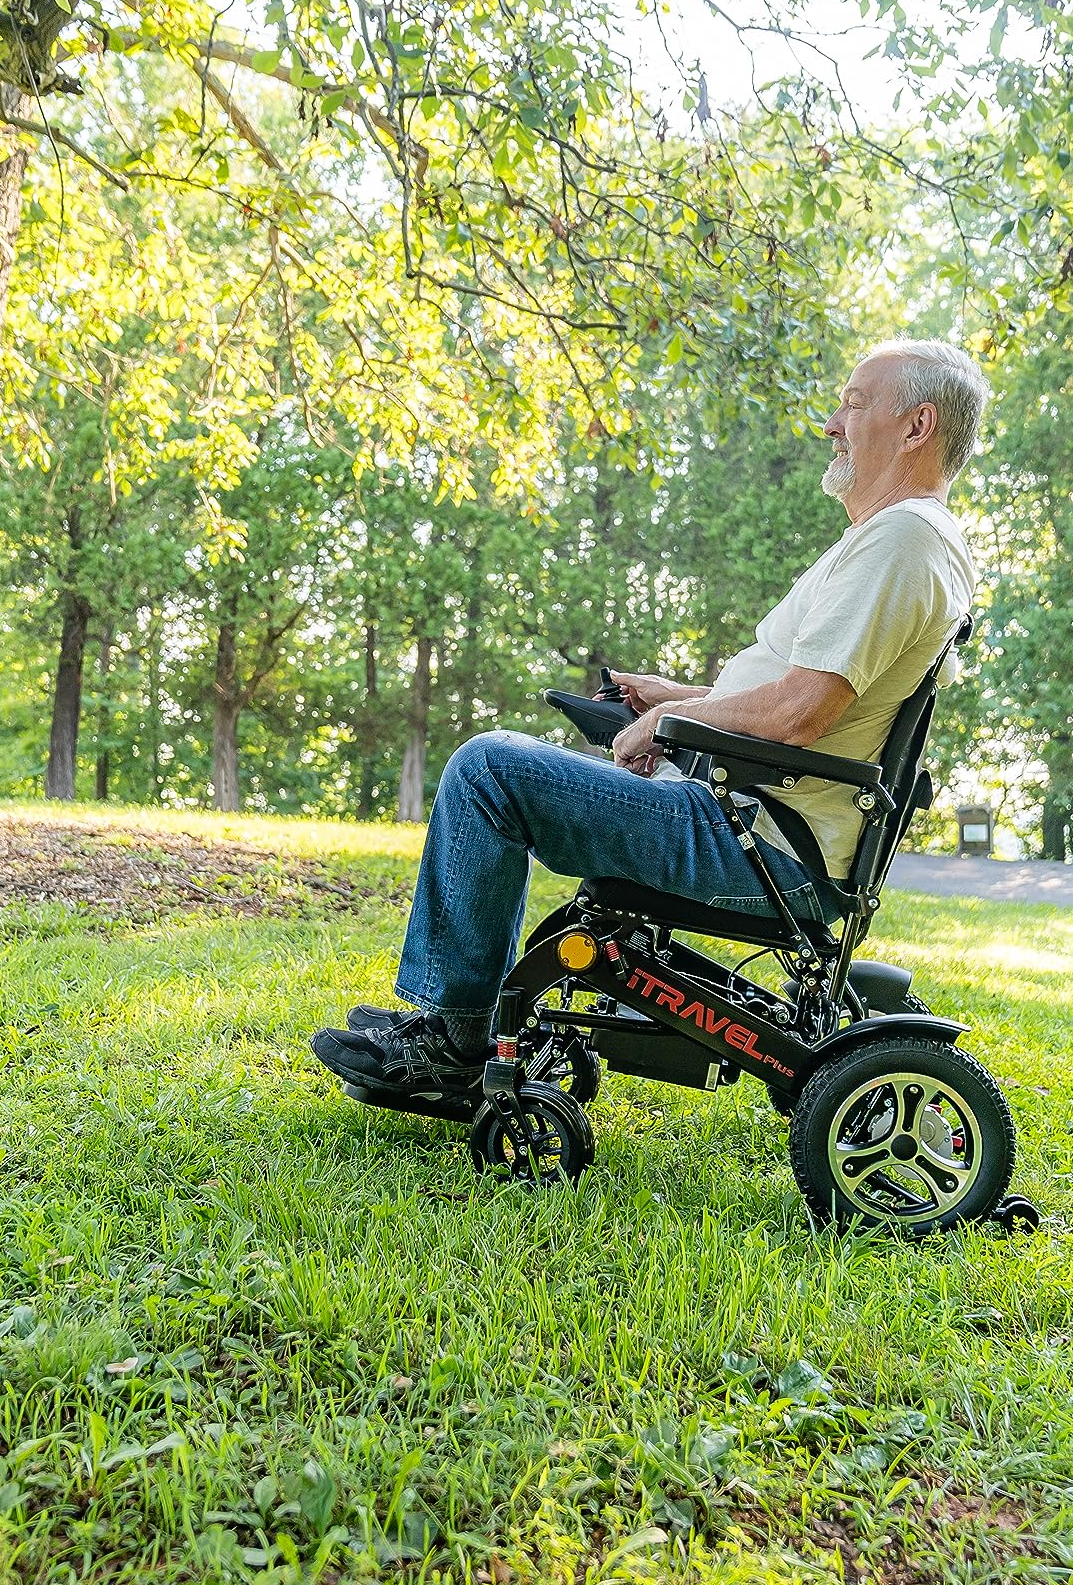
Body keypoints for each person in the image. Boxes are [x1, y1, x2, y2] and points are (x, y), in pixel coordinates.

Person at [312, 340, 986, 1102]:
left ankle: (456, 1041)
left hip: (756, 839)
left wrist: (672, 719)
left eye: (854, 403)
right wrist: (676, 698)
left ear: (917, 425)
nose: (833, 423)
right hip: (755, 818)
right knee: (502, 768)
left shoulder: (903, 540)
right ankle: (453, 1018)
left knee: (487, 770)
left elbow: (801, 712)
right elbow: (808, 698)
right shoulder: (904, 540)